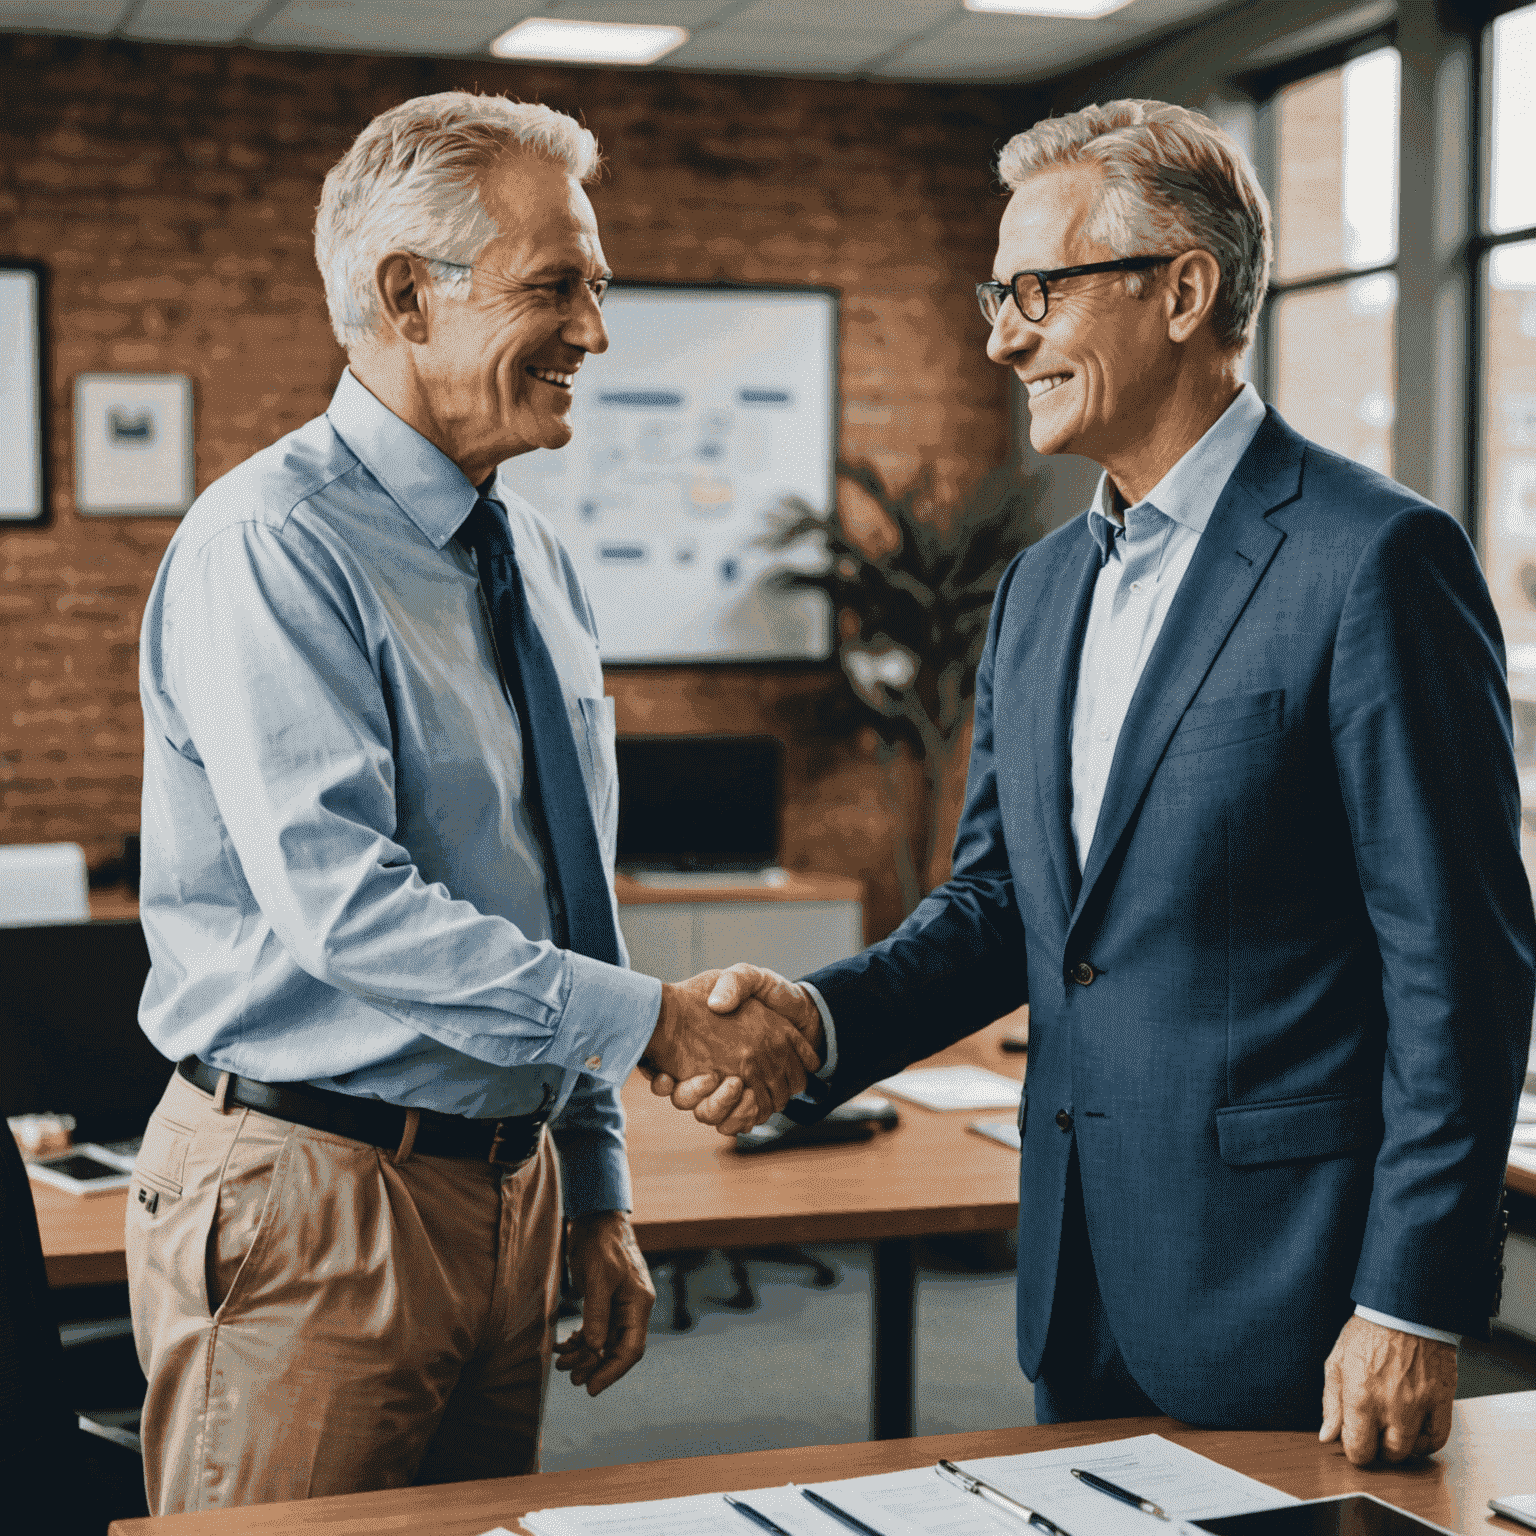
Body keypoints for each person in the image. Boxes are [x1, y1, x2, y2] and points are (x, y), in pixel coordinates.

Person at [671, 100, 1534, 1462]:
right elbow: (1008, 903)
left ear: (1183, 290)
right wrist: (817, 1024)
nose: (1002, 335)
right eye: (995, 295)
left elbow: (1462, 972)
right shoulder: (1040, 591)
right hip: (1081, 1283)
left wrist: (1414, 1298)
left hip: (1301, 1300)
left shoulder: (1375, 562)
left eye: (1035, 291)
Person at [128, 91, 819, 1516]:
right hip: (313, 1195)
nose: (597, 333)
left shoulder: (536, 561)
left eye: (599, 289)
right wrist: (660, 1026)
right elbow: (346, 906)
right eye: (557, 287)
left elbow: (564, 882)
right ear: (404, 297)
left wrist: (595, 1178)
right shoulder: (274, 545)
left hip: (507, 1192)